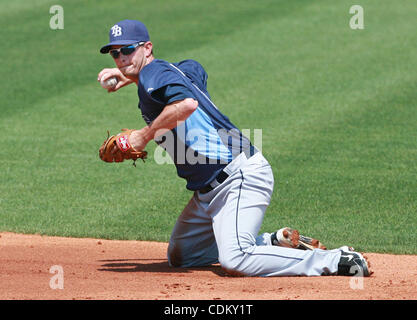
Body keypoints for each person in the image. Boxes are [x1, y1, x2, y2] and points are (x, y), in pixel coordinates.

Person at [97, 19, 371, 277]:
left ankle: (336, 260)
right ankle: (272, 242)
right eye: (115, 54)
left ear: (147, 48)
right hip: (208, 194)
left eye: (129, 50)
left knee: (235, 259)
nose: (122, 58)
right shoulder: (164, 73)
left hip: (239, 175)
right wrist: (133, 76)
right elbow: (193, 70)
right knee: (182, 257)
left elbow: (186, 105)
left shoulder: (153, 75)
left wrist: (142, 137)